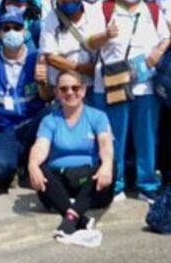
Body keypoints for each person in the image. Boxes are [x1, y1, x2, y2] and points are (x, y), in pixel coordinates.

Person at [94, 0, 171, 200]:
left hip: (144, 84)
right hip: (111, 83)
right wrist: (104, 35)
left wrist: (158, 51)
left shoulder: (153, 9)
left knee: (146, 136)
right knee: (113, 135)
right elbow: (88, 42)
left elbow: (167, 37)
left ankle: (147, 183)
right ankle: (114, 184)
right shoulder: (102, 8)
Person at [27, 70, 115, 246]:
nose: (70, 93)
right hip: (60, 182)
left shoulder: (97, 117)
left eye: (75, 88)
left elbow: (106, 145)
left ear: (83, 90)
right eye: (64, 89)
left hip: (89, 182)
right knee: (40, 168)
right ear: (57, 93)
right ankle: (79, 218)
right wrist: (32, 165)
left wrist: (106, 165)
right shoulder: (50, 120)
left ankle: (70, 217)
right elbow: (40, 146)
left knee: (110, 164)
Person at [0, 10, 49, 190]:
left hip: (32, 126)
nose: (11, 32)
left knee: (53, 112)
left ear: (25, 32)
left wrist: (42, 83)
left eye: (17, 27)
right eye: (6, 28)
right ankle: (17, 167)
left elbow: (47, 97)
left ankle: (29, 166)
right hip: (4, 129)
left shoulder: (36, 58)